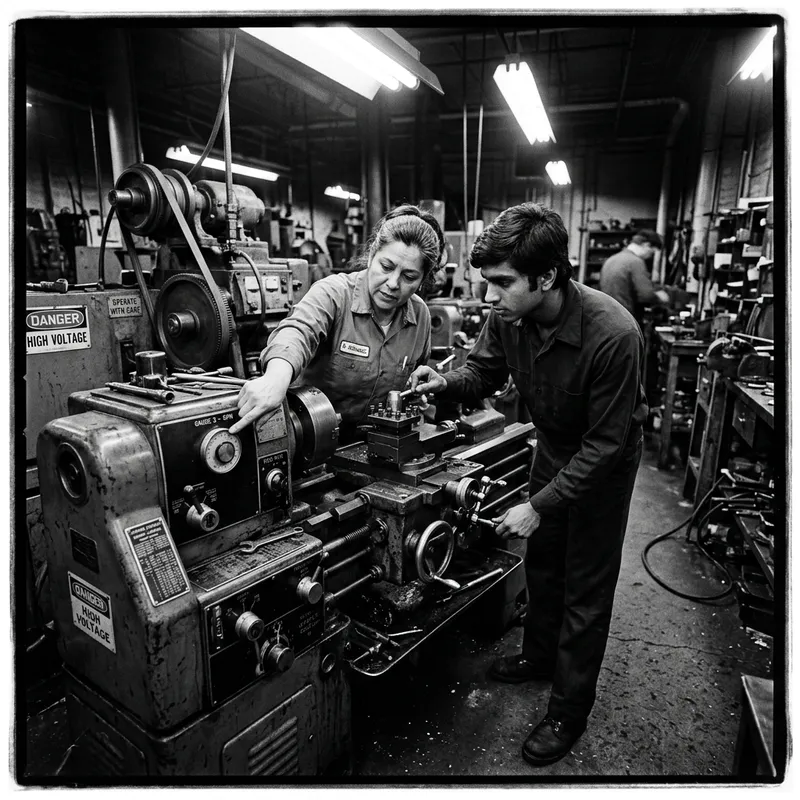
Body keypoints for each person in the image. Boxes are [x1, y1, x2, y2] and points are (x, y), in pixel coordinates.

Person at [407, 203, 647, 767]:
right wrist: (443, 383)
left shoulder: (615, 334)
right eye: (486, 282)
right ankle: (539, 657)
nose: (490, 296)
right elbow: (483, 375)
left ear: (548, 277)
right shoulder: (508, 316)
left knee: (584, 590)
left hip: (603, 464)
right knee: (542, 565)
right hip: (556, 447)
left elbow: (606, 446)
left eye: (502, 283)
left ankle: (568, 709)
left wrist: (540, 505)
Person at [230, 205, 445, 440]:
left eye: (409, 276)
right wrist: (275, 378)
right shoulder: (334, 293)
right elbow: (297, 332)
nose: (393, 283)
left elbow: (413, 384)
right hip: (315, 444)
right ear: (372, 255)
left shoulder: (420, 316)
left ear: (423, 280)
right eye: (386, 267)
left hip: (380, 446)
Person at [598, 229, 670, 325]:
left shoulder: (612, 259)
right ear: (646, 245)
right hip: (623, 320)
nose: (650, 257)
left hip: (605, 318)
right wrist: (660, 297)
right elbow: (646, 295)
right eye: (652, 252)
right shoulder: (636, 262)